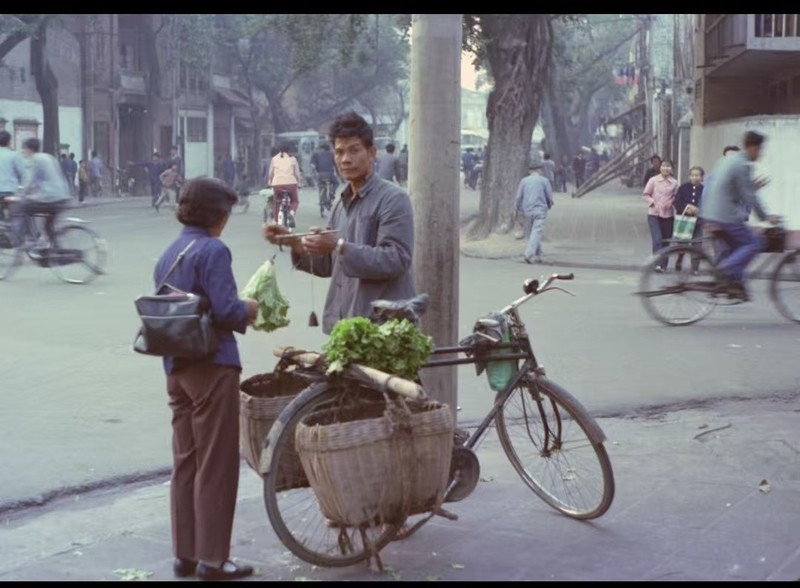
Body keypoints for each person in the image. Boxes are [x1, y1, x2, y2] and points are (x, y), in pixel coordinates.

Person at [153, 176, 258, 581]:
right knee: (217, 464)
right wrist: (249, 309)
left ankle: (185, 554)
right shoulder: (213, 249)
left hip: (176, 368)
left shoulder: (170, 252)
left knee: (186, 461)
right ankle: (214, 560)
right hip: (212, 366)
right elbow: (227, 310)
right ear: (218, 214)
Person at [262, 111, 416, 335]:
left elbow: (396, 259)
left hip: (383, 329)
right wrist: (294, 242)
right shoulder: (340, 203)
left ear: (372, 153)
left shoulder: (393, 199)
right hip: (346, 326)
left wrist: (339, 245)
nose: (345, 159)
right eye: (339, 152)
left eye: (354, 150)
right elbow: (329, 265)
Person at [699, 130, 779, 301]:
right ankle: (724, 270)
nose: (761, 153)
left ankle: (734, 284)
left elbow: (731, 188)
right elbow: (749, 197)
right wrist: (766, 217)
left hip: (711, 212)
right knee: (755, 242)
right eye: (760, 149)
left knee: (738, 247)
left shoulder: (726, 160)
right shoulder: (742, 165)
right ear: (752, 148)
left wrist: (751, 187)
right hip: (725, 215)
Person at [13, 137, 72, 246]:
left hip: (50, 197)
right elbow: (42, 180)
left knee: (24, 207)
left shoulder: (34, 159)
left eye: (24, 148)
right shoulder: (49, 157)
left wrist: (20, 195)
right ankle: (56, 249)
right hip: (62, 196)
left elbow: (28, 180)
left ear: (30, 149)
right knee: (48, 227)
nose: (23, 151)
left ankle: (29, 237)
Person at [704, 145, 744, 263]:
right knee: (722, 253)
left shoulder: (741, 177)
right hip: (719, 220)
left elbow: (746, 200)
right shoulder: (713, 177)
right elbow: (706, 197)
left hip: (736, 221)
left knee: (737, 255)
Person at [512, 162, 554, 265]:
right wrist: (549, 205)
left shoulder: (524, 181)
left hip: (527, 210)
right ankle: (528, 254)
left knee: (534, 231)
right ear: (539, 170)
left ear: (529, 171)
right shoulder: (544, 180)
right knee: (537, 231)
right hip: (540, 209)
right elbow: (549, 196)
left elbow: (518, 196)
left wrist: (516, 209)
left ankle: (539, 254)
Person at [642, 158, 678, 272]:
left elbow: (676, 196)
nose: (665, 168)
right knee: (657, 239)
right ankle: (657, 264)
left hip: (668, 215)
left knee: (666, 241)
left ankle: (663, 265)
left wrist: (671, 202)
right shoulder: (653, 180)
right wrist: (653, 203)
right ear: (660, 168)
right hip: (654, 214)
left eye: (668, 166)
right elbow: (646, 194)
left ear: (671, 169)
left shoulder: (674, 183)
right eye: (663, 166)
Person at [673, 165, 705, 272]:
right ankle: (679, 259)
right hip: (684, 221)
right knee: (682, 244)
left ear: (702, 177)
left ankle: (695, 268)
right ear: (689, 176)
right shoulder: (683, 188)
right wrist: (686, 208)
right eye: (693, 175)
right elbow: (677, 202)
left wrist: (697, 210)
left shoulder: (704, 190)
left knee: (697, 245)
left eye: (697, 175)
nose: (695, 177)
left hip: (698, 222)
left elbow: (707, 204)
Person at [267, 142, 302, 223]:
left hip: (277, 184)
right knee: (294, 201)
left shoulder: (274, 159)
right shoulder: (293, 159)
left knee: (276, 202)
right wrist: (299, 182)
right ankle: (291, 213)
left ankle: (275, 221)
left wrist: (270, 181)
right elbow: (297, 173)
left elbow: (271, 173)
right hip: (291, 183)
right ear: (289, 149)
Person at [0, 131, 25, 221]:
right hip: (10, 191)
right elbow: (22, 172)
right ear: (9, 142)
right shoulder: (14, 155)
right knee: (16, 216)